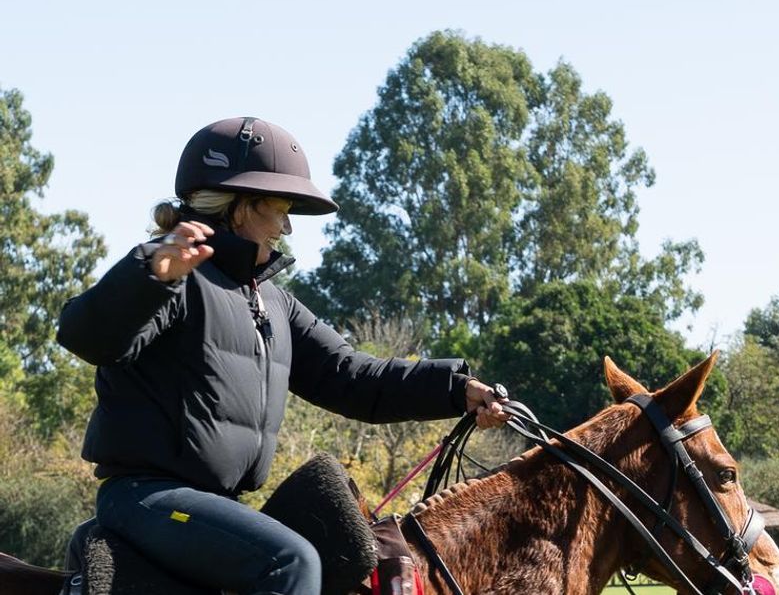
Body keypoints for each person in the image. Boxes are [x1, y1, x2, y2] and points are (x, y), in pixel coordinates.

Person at [56, 117, 509, 595]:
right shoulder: (168, 275)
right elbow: (88, 337)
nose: (287, 227)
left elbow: (352, 377)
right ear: (240, 206)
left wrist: (455, 390)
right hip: (145, 499)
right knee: (289, 560)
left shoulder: (273, 301)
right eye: (280, 210)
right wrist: (151, 274)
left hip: (215, 504)